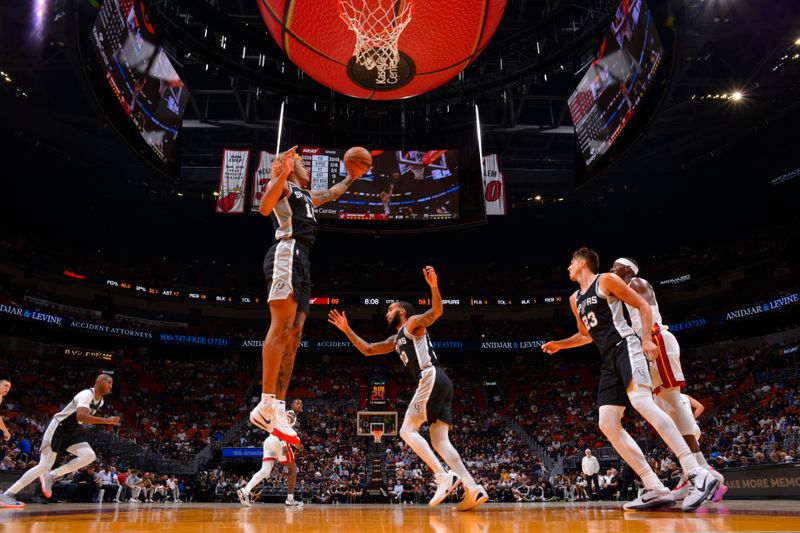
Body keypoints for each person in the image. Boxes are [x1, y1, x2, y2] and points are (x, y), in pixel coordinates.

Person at [541, 248, 718, 511]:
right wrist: (560, 344)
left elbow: (642, 305)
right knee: (607, 423)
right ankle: (655, 487)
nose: (568, 267)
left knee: (643, 404)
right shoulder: (574, 298)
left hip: (627, 348)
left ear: (581, 263)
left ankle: (696, 472)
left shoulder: (605, 280)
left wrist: (646, 338)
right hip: (609, 360)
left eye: (570, 263)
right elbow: (584, 335)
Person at [328, 266, 488, 511]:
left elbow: (436, 311)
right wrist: (346, 329)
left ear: (401, 312)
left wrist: (434, 286)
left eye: (390, 309)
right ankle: (473, 487)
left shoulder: (412, 323)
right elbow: (368, 349)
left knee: (406, 430)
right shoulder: (395, 339)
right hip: (441, 381)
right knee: (440, 441)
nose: (386, 313)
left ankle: (442, 476)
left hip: (430, 375)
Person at [249, 147, 360, 444]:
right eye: (300, 161)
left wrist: (352, 177)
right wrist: (282, 173)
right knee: (282, 326)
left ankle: (279, 407)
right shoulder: (284, 186)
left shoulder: (307, 195)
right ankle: (265, 402)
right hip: (286, 250)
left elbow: (333, 192)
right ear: (288, 166)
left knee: (295, 335)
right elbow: (263, 207)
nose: (305, 165)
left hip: (303, 259)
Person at [610, 257, 727, 502]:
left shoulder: (637, 283)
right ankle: (692, 473)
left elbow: (647, 313)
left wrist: (645, 339)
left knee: (672, 404)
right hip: (649, 342)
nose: (612, 270)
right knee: (666, 408)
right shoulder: (626, 288)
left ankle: (703, 472)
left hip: (655, 339)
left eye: (615, 267)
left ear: (628, 269)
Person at [0, 374, 119, 509]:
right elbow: (81, 415)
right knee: (44, 465)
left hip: (72, 430)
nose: (110, 386)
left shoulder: (101, 401)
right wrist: (106, 420)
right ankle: (8, 494)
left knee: (89, 455)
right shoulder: (86, 394)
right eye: (109, 383)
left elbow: (79, 418)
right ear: (99, 381)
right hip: (58, 427)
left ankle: (51, 475)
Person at [239, 399, 304, 507]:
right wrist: (284, 444)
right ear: (291, 405)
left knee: (265, 470)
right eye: (297, 403)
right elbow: (280, 428)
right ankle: (290, 499)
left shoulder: (290, 416)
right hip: (278, 441)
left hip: (269, 441)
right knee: (293, 468)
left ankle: (245, 490)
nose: (299, 404)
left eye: (301, 403)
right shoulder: (291, 415)